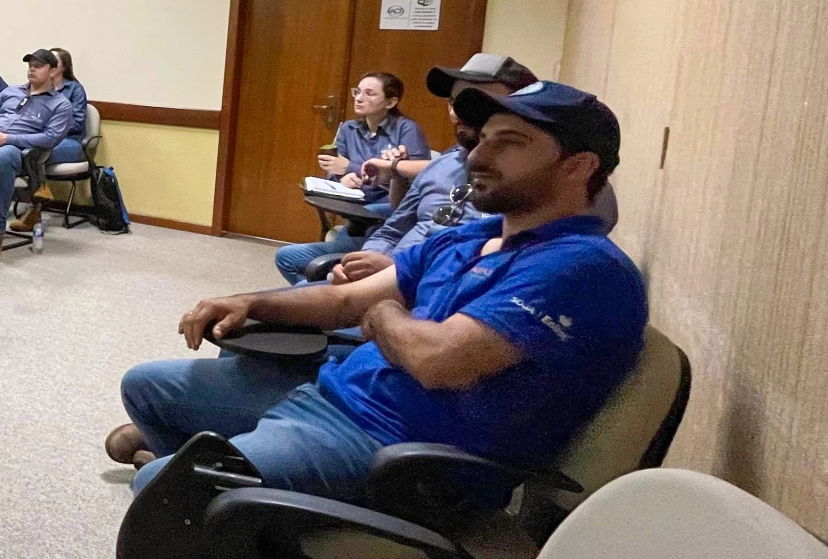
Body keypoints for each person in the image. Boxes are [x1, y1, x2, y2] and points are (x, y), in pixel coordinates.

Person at [107, 82, 645, 507]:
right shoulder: (475, 235)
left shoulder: (581, 267)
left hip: (399, 452)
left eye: (511, 143)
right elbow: (344, 301)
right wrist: (251, 301)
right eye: (484, 138)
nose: (480, 155)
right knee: (146, 387)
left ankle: (239, 504)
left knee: (160, 489)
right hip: (333, 396)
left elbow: (438, 361)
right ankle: (237, 488)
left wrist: (386, 315)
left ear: (579, 166)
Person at [274, 53, 540, 284]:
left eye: (478, 101)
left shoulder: (526, 181)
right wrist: (370, 259)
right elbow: (394, 227)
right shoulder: (444, 164)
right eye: (455, 101)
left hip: (421, 294)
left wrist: (395, 272)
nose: (461, 111)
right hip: (381, 274)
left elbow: (486, 266)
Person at [0, 50, 76, 258]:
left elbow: (50, 138)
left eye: (38, 65)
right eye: (30, 64)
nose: (32, 68)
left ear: (53, 70)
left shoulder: (60, 105)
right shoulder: (11, 92)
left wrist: (8, 139)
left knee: (3, 156)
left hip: (18, 153)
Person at [319, 71, 431, 205]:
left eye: (369, 93)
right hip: (355, 201)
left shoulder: (407, 129)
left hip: (392, 205)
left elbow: (416, 179)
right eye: (357, 92)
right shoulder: (348, 129)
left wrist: (350, 167)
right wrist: (343, 178)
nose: (359, 98)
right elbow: (334, 169)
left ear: (390, 102)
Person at [11, 47, 90, 236]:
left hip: (70, 141)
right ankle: (37, 196)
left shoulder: (74, 89)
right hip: (43, 138)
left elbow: (78, 122)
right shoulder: (34, 89)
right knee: (23, 148)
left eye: (53, 61)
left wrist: (50, 127)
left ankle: (35, 210)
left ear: (60, 67)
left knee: (36, 150)